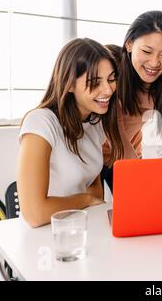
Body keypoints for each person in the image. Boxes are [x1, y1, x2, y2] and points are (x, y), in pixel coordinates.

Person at [17, 38, 123, 227]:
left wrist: (90, 201)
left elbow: (94, 187)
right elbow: (34, 213)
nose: (108, 89)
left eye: (111, 79)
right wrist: (85, 200)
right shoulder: (41, 122)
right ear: (70, 84)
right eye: (95, 82)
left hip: (80, 227)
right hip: (44, 235)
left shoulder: (95, 121)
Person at [101, 11, 162, 191]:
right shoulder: (111, 73)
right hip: (96, 165)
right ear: (129, 44)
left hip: (129, 162)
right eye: (146, 51)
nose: (154, 63)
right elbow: (118, 137)